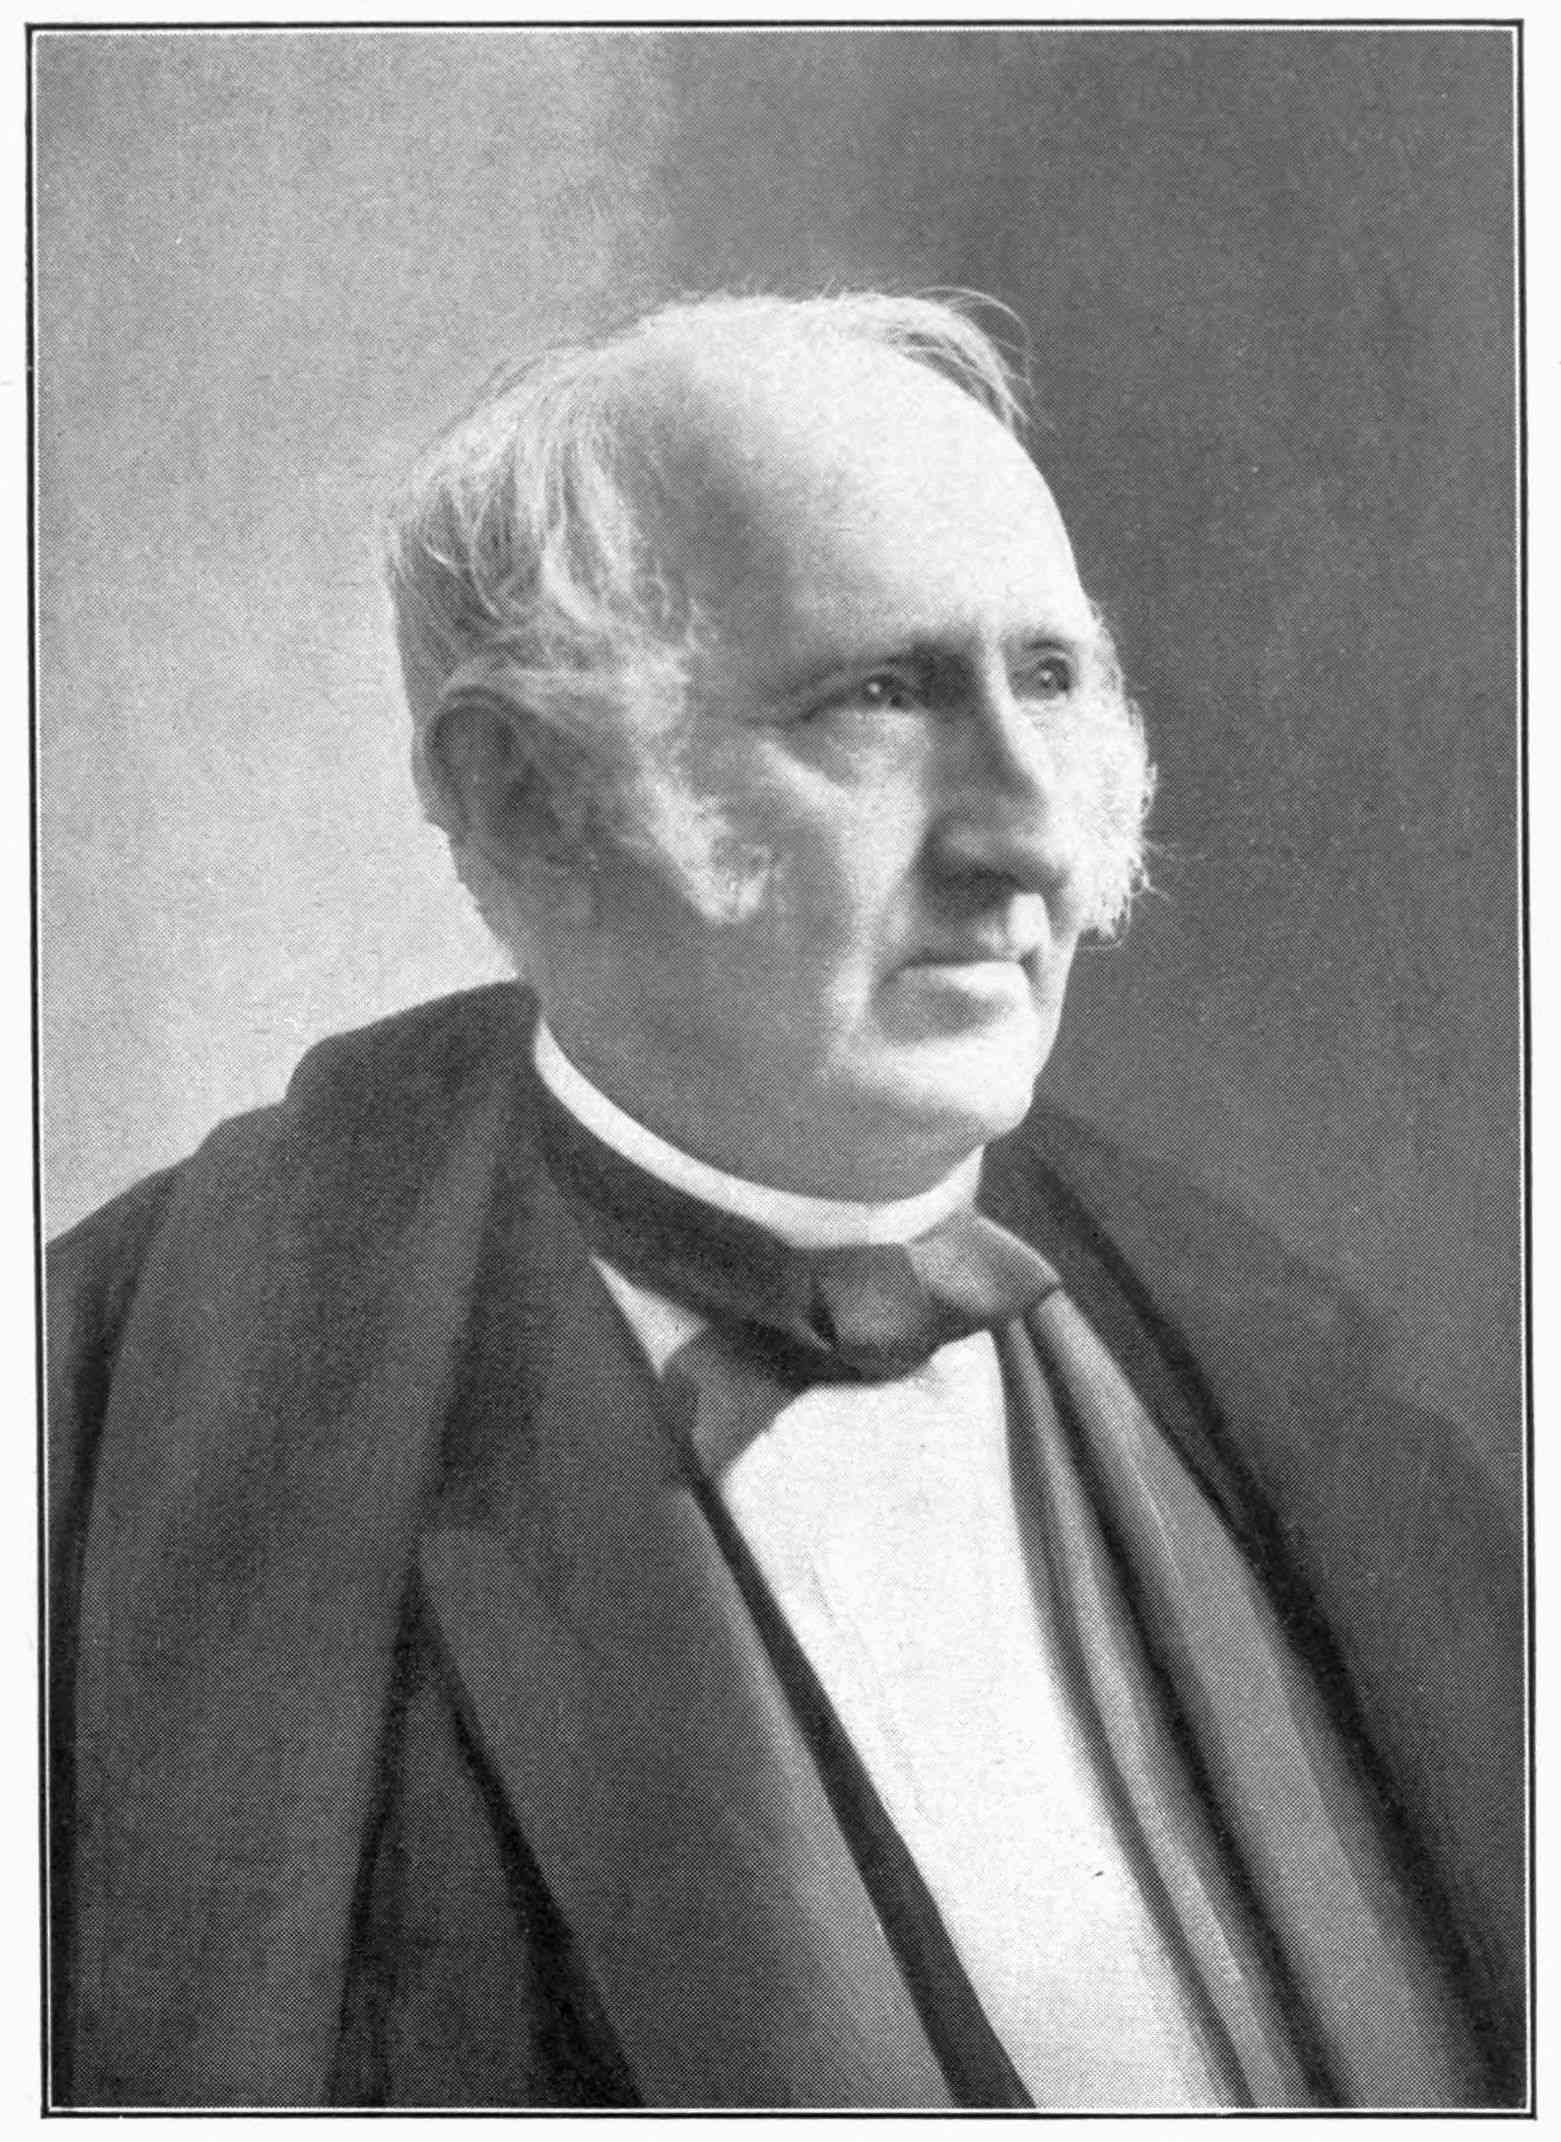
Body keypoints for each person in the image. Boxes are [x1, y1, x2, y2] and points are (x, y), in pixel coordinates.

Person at [46, 292, 1524, 2110]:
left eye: (1048, 679)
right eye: (878, 698)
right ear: (525, 797)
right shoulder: (113, 1416)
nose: (1027, 835)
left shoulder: (1283, 1373)